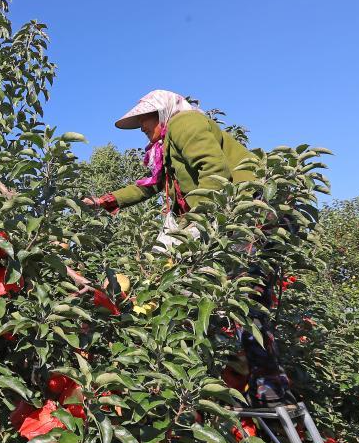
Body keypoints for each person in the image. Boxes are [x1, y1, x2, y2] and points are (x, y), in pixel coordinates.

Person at [83, 89, 293, 406]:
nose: (141, 127)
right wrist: (105, 200)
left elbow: (215, 172)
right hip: (234, 216)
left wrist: (199, 225)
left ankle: (265, 386)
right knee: (238, 300)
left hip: (247, 213)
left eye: (144, 120)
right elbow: (150, 185)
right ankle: (260, 383)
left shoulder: (184, 124)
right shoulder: (166, 147)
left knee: (237, 298)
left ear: (161, 113)